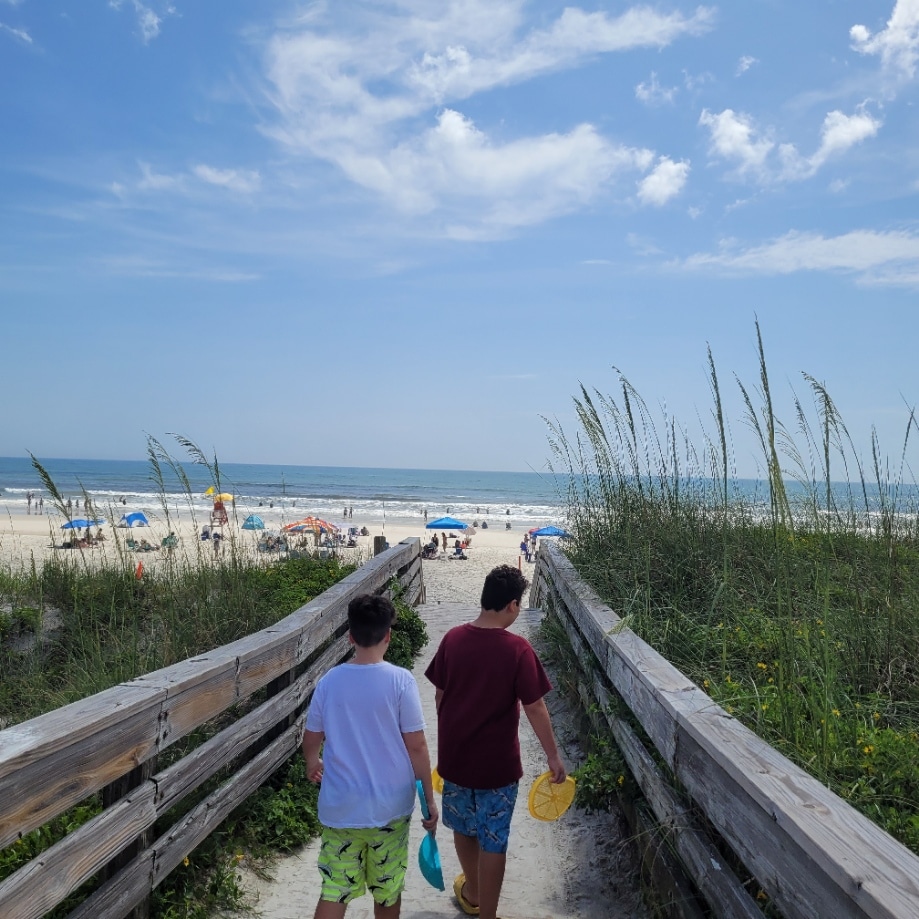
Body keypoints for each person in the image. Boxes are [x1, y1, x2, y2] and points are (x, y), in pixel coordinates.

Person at [425, 565, 566, 919]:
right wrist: (553, 756)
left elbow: (440, 697)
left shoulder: (453, 639)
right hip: (498, 766)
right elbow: (534, 706)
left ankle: (471, 892)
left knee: (463, 827)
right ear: (513, 606)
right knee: (494, 838)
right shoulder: (517, 649)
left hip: (455, 760)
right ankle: (487, 911)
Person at [302, 595, 438, 918]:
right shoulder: (401, 681)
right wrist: (429, 800)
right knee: (388, 892)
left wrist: (313, 761)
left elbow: (311, 737)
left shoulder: (329, 682)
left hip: (342, 808)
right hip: (389, 808)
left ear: (350, 636)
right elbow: (417, 746)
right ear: (388, 636)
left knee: (335, 889)